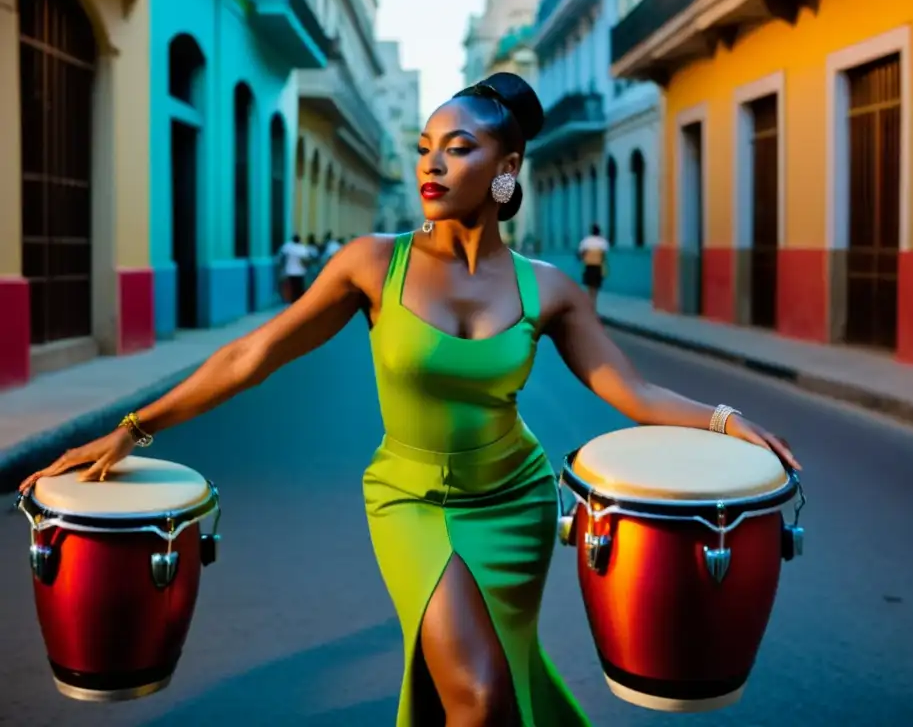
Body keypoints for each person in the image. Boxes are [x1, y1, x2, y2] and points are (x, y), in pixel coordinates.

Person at [20, 72, 800, 727]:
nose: (432, 164)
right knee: (480, 689)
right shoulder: (371, 265)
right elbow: (252, 354)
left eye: (459, 149)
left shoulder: (550, 289)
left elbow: (627, 389)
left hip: (515, 502)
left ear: (507, 168)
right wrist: (134, 427)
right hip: (409, 500)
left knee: (490, 682)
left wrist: (727, 422)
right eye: (426, 147)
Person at [577, 224, 609, 307]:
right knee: (596, 288)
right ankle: (594, 304)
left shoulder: (586, 241)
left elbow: (581, 254)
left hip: (588, 266)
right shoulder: (603, 242)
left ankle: (590, 305)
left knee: (589, 288)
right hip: (598, 267)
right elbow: (604, 256)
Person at [278, 234, 309, 303]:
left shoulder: (287, 247)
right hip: (300, 272)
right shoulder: (302, 248)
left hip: (290, 271)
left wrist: (282, 269)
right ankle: (300, 301)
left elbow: (282, 258)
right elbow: (305, 260)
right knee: (300, 287)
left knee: (292, 288)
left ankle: (293, 300)